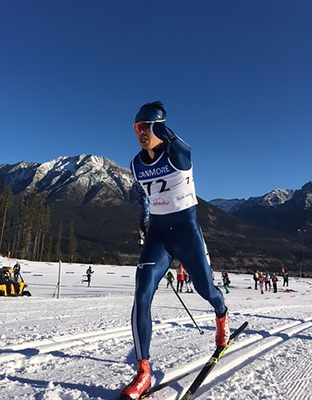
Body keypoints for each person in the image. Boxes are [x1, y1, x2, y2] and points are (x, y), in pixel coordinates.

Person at [120, 101, 229, 400]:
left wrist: (160, 127)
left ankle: (221, 314)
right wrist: (143, 222)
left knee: (206, 289)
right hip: (158, 235)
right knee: (141, 293)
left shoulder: (178, 155)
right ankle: (143, 372)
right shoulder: (134, 164)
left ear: (159, 127)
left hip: (187, 233)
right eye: (136, 128)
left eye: (146, 127)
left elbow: (184, 147)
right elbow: (143, 196)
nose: (140, 133)